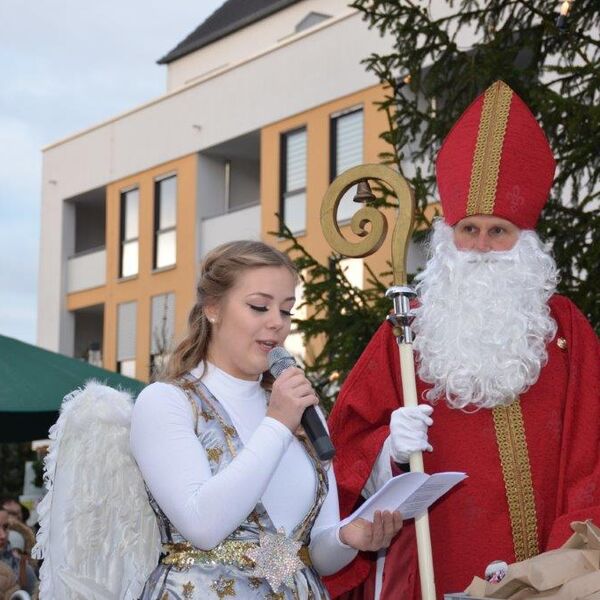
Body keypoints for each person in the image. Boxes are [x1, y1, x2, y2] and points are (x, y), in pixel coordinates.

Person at [324, 81, 600, 599]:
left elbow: (595, 451)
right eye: (469, 229)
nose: (480, 247)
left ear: (527, 242)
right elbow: (343, 447)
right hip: (435, 567)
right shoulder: (408, 332)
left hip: (553, 572)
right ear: (448, 236)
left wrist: (572, 557)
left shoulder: (565, 330)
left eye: (499, 232)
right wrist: (390, 451)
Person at [130, 240, 403, 599]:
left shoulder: (302, 410)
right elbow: (202, 526)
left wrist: (346, 538)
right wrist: (276, 424)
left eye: (287, 310)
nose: (277, 323)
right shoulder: (168, 401)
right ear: (213, 308)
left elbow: (308, 557)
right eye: (259, 306)